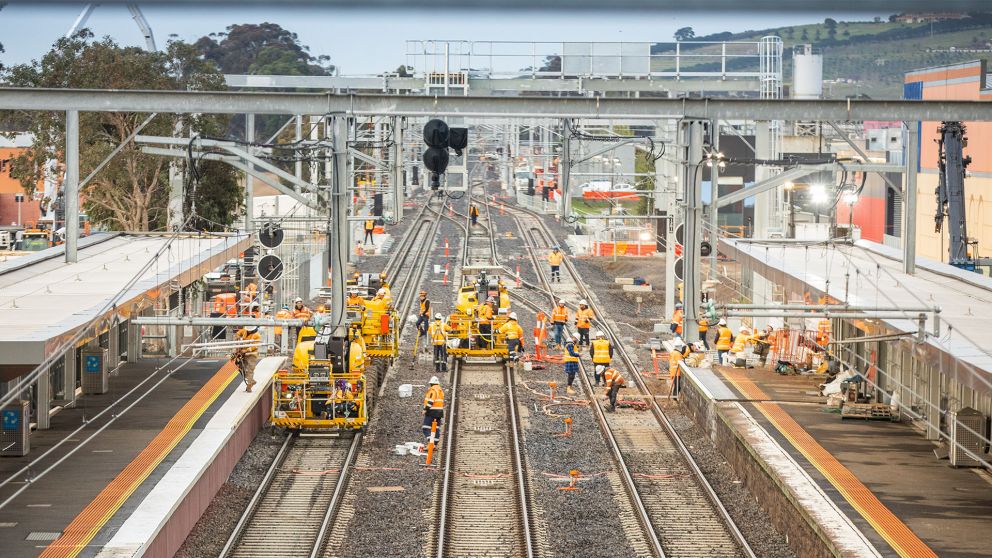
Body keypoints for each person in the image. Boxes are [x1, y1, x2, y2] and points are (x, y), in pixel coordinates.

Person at [233, 325, 260, 392]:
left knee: (250, 369)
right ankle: (251, 381)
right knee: (242, 368)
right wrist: (238, 336)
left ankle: (250, 384)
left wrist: (246, 350)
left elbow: (255, 346)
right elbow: (238, 333)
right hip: (243, 354)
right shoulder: (245, 331)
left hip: (251, 355)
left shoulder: (257, 335)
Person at [422, 376, 445, 442]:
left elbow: (431, 401)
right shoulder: (440, 391)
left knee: (425, 428)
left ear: (431, 384)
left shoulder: (433, 390)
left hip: (431, 412)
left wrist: (425, 409)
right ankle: (434, 444)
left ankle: (431, 441)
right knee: (436, 428)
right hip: (439, 412)